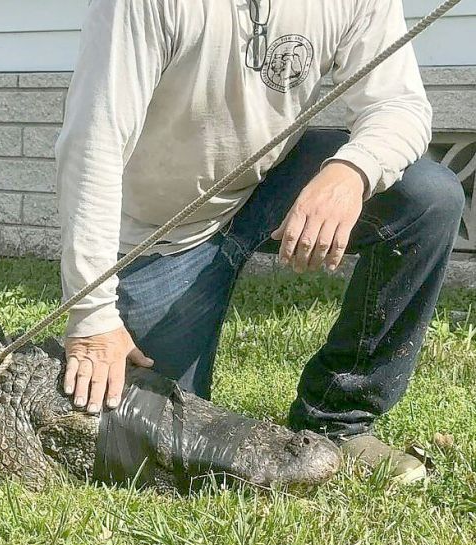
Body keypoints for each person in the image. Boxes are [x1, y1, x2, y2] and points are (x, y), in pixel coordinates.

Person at [56, 0, 464, 483]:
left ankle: (338, 418)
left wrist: (352, 170)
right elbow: (94, 143)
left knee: (428, 198)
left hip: (264, 184)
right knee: (147, 439)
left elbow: (399, 104)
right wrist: (92, 315)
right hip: (162, 231)